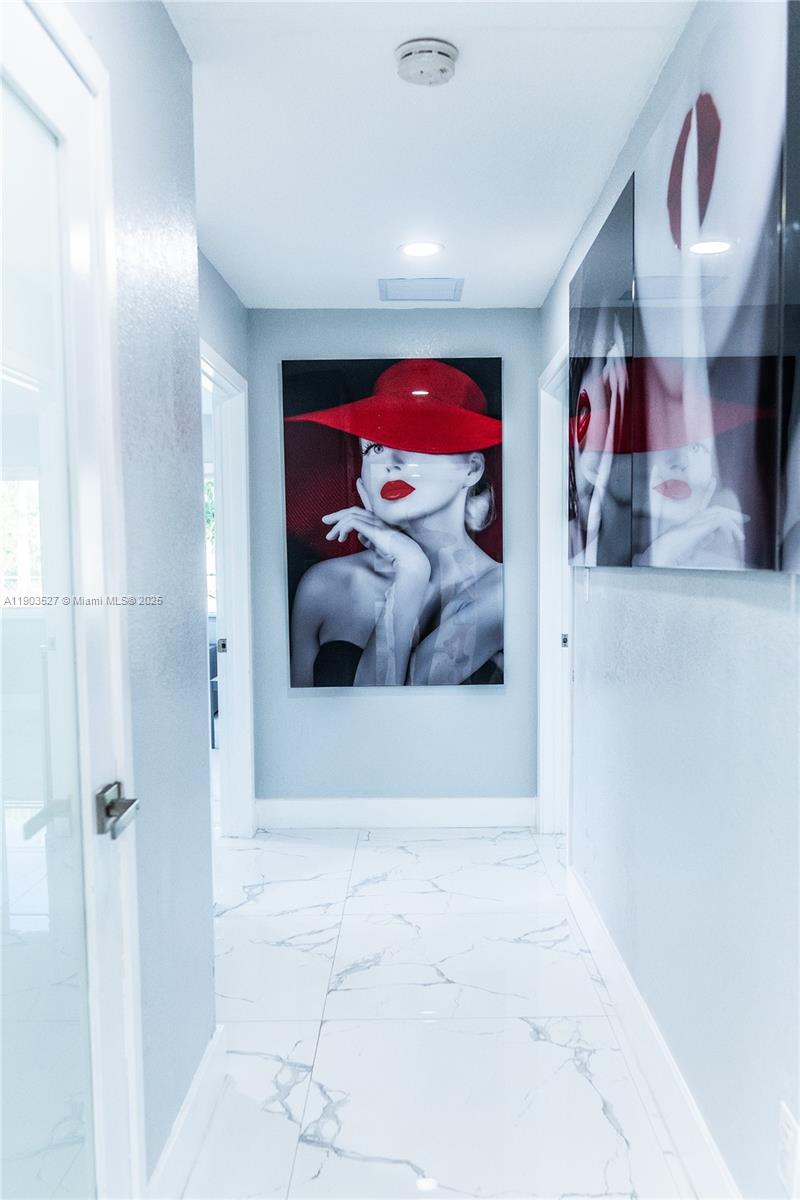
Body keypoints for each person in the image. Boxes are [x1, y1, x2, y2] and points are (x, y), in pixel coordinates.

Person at [285, 359, 504, 687]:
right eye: (374, 446)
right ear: (362, 483)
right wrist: (412, 568)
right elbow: (296, 714)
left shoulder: (502, 591)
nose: (390, 462)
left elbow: (389, 706)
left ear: (472, 469)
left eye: (418, 437)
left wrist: (412, 572)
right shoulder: (324, 585)